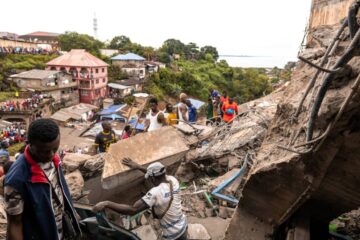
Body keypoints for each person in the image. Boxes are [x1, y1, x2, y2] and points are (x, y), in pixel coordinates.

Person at [4, 118, 81, 240]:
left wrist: (71, 210)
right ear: (29, 143)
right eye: (44, 151)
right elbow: (14, 224)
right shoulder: (16, 181)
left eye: (54, 149)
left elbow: (58, 189)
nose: (51, 154)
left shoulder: (53, 159)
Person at [93, 159, 188, 240]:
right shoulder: (172, 180)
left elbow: (132, 210)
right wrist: (138, 167)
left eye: (150, 178)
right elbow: (155, 174)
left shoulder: (155, 192)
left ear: (153, 179)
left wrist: (107, 203)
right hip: (183, 226)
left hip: (173, 235)